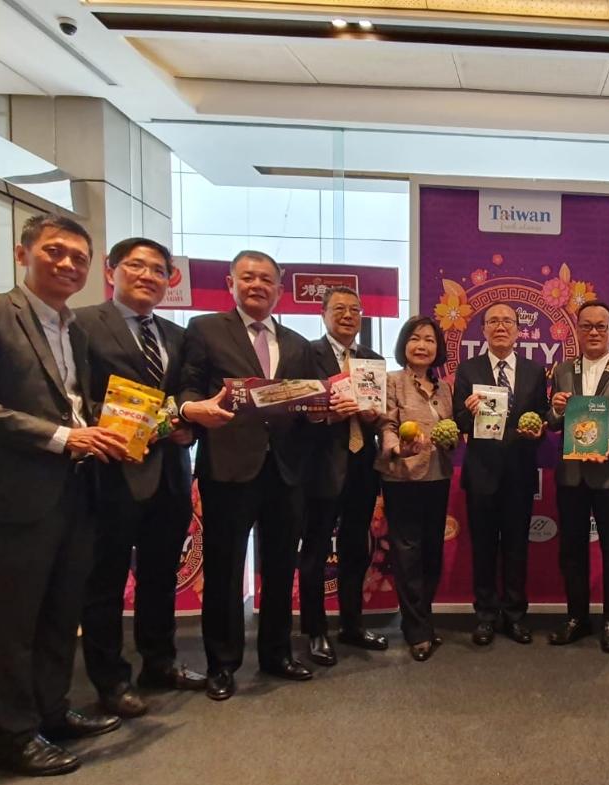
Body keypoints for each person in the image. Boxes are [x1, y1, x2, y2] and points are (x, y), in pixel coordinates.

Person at [0, 214, 127, 776]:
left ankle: (53, 709)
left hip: (76, 490)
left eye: (79, 257)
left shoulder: (77, 331)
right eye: (56, 251)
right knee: (18, 618)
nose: (69, 263)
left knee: (60, 611)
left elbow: (75, 405)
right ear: (24, 254)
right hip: (15, 497)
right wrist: (63, 437)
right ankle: (14, 738)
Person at [177, 250, 317, 701]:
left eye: (267, 280)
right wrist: (191, 409)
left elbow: (305, 403)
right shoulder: (205, 329)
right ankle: (222, 663)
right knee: (224, 567)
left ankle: (277, 653)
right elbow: (189, 385)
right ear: (231, 282)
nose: (257, 286)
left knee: (280, 568)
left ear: (281, 288)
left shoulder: (298, 343)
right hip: (229, 466)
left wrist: (320, 406)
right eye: (248, 278)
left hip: (286, 469)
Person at [76, 237, 204, 719]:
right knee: (105, 581)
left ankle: (160, 660)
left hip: (170, 471)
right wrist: (107, 424)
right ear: (111, 272)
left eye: (157, 269)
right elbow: (71, 393)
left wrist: (186, 420)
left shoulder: (175, 334)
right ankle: (110, 680)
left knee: (159, 574)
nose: (147, 276)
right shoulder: (83, 324)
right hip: (110, 471)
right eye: (136, 266)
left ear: (169, 279)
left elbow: (184, 392)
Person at [298, 286, 387, 666]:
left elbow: (379, 411)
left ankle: (352, 623)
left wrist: (372, 414)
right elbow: (295, 407)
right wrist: (324, 413)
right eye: (339, 309)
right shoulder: (304, 355)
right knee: (316, 552)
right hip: (319, 466)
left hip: (362, 466)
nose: (348, 315)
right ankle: (316, 631)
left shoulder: (372, 359)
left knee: (355, 547)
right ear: (323, 314)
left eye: (355, 309)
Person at [452, 302, 549, 646]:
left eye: (508, 321)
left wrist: (538, 428)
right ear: (484, 329)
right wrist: (468, 411)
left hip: (520, 474)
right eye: (493, 321)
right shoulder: (468, 370)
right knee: (482, 548)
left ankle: (515, 615)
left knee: (516, 548)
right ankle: (485, 616)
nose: (501, 326)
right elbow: (457, 422)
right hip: (481, 472)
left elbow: (542, 417)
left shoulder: (535, 371)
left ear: (518, 329)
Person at [547, 300, 609, 653]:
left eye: (601, 326)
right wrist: (554, 410)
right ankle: (577, 618)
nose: (594, 332)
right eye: (587, 326)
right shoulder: (562, 370)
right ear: (577, 330)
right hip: (571, 475)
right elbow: (553, 422)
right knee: (571, 552)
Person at [376, 316, 455, 662]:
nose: (422, 346)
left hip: (437, 477)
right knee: (407, 553)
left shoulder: (445, 387)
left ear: (437, 349)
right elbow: (387, 425)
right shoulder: (391, 382)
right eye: (415, 339)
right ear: (404, 345)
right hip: (403, 477)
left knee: (431, 553)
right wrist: (396, 449)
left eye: (429, 340)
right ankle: (417, 630)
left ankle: (422, 619)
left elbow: (450, 431)